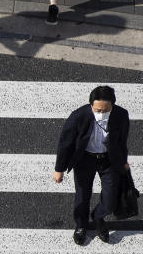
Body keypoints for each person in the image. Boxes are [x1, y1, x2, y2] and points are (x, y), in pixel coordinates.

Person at [53, 86, 130, 245]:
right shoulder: (78, 116)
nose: (101, 113)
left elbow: (122, 141)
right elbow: (65, 143)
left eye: (105, 110)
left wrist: (123, 161)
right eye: (97, 110)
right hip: (84, 159)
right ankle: (81, 225)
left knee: (110, 200)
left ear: (112, 106)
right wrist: (59, 169)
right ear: (91, 106)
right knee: (82, 194)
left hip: (108, 160)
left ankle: (98, 216)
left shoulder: (121, 115)